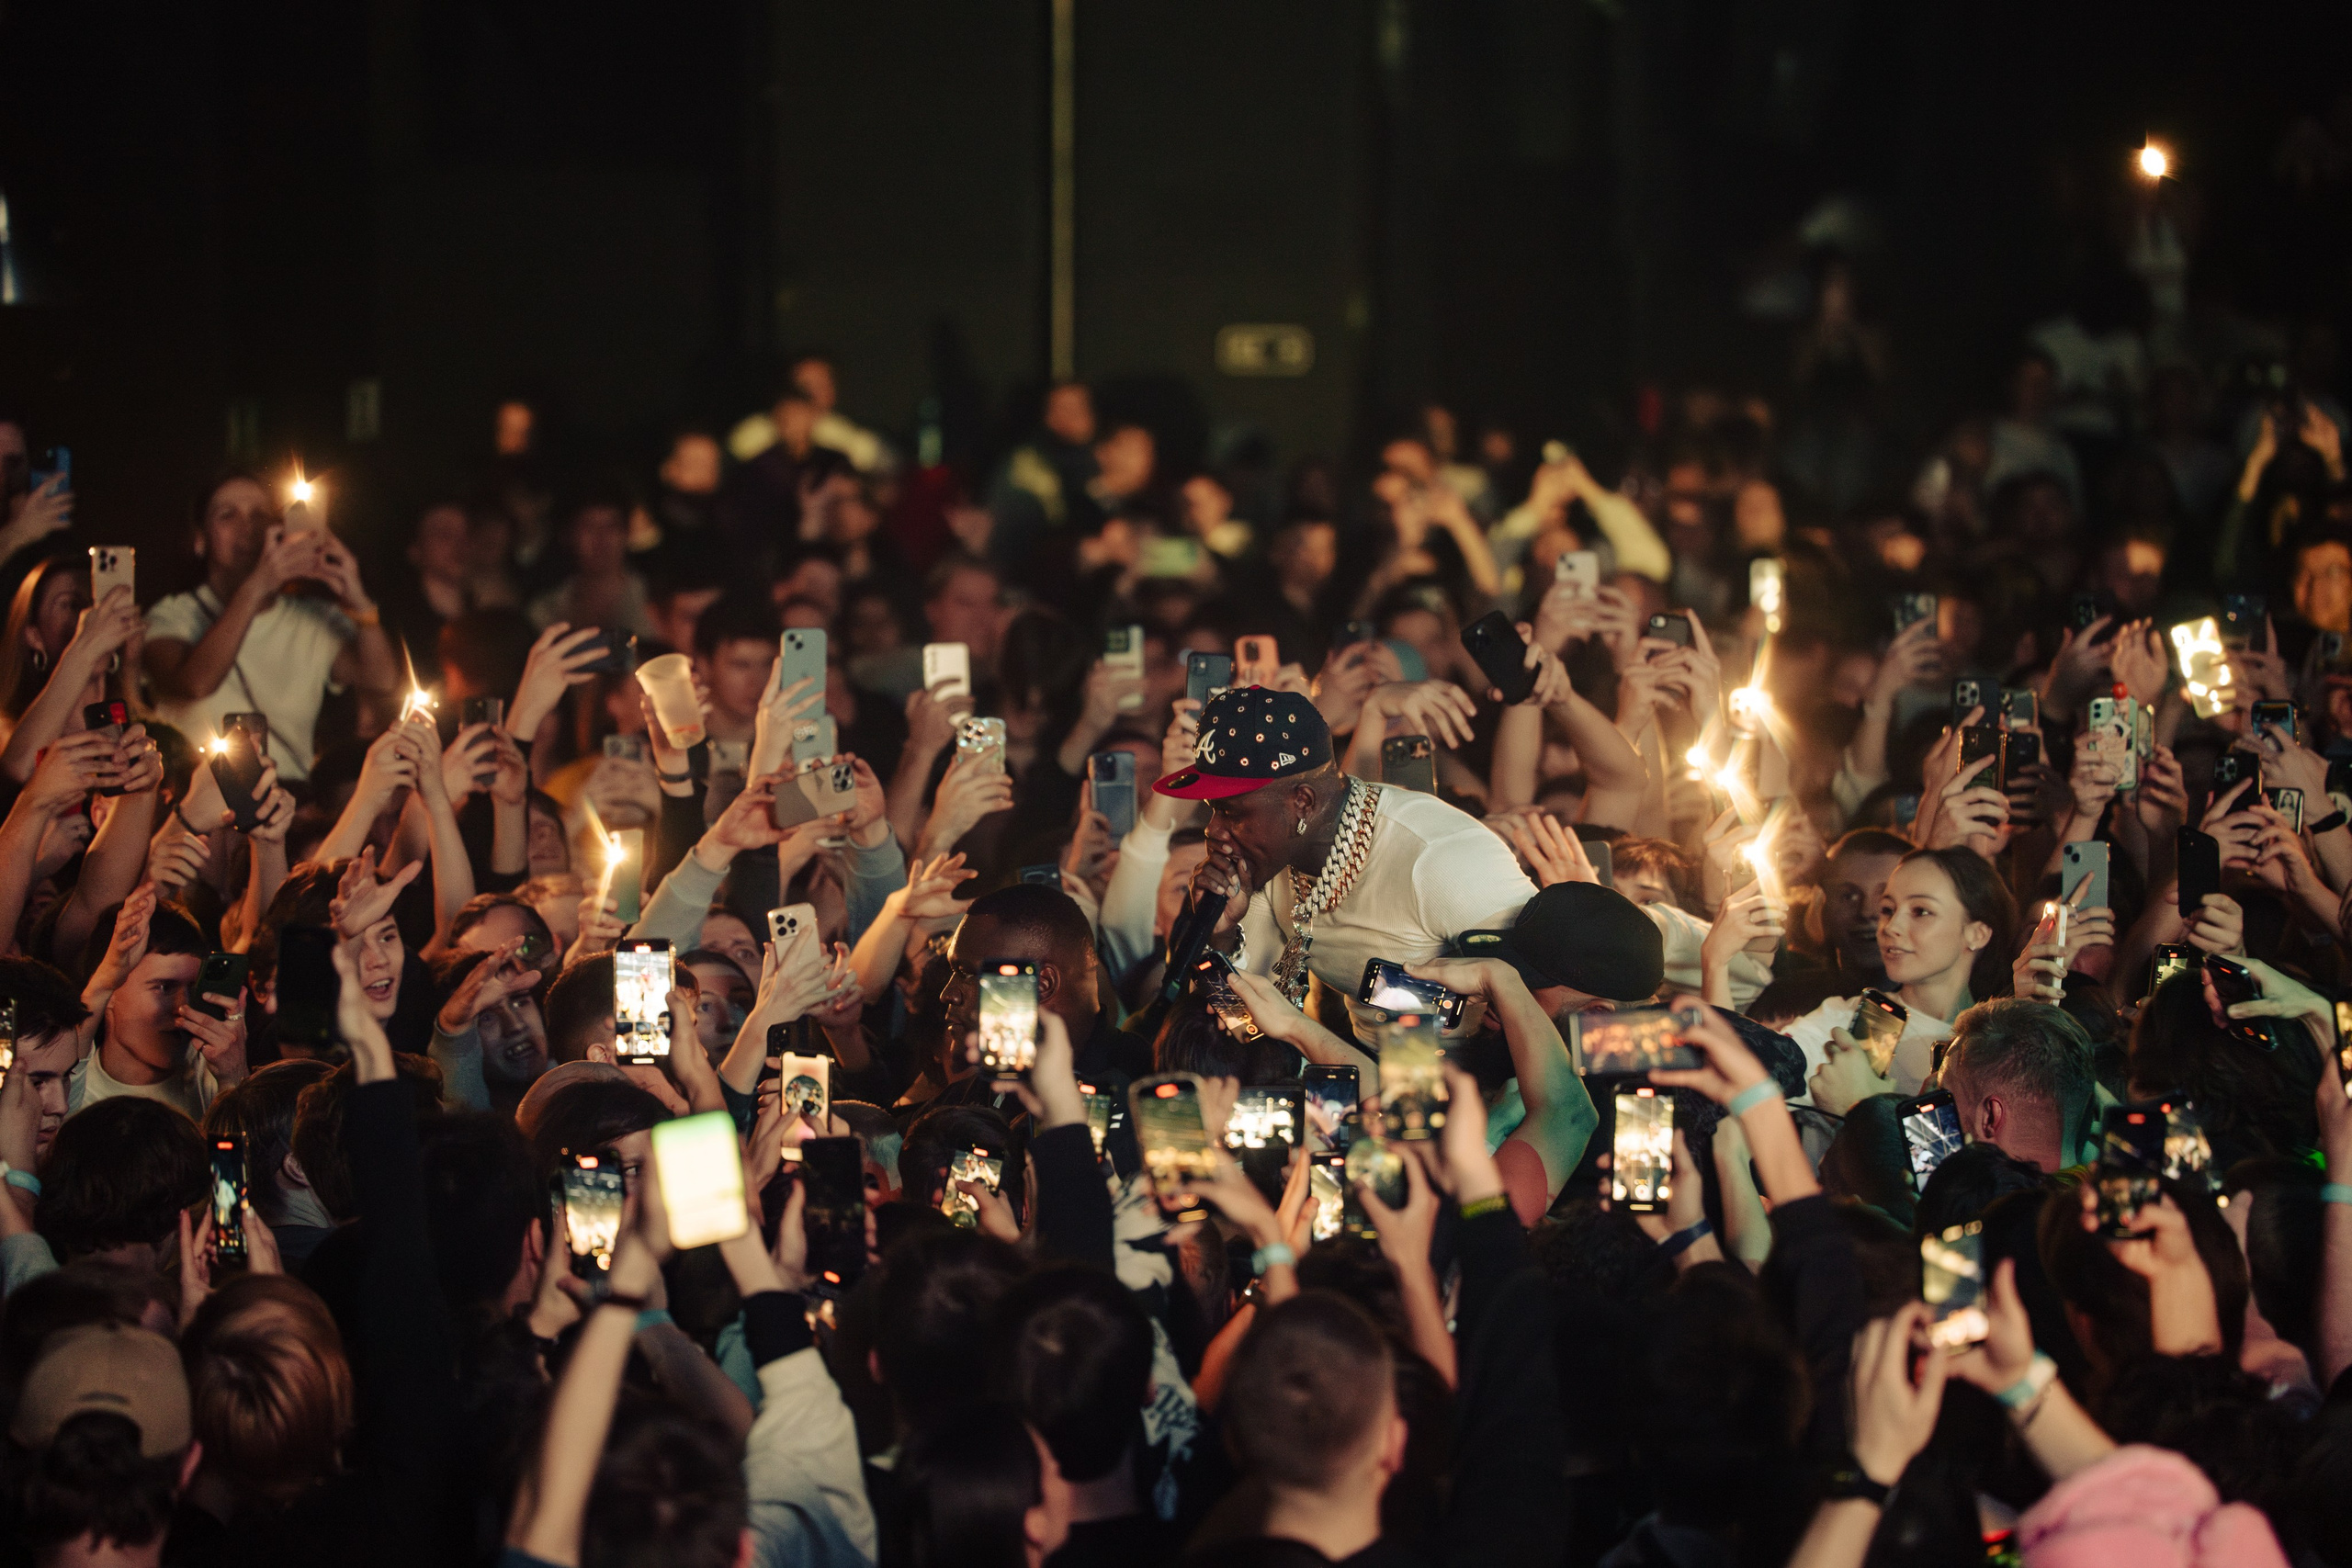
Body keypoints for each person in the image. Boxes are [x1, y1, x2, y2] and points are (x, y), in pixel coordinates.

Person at [1159, 687, 1533, 1043]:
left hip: (1482, 1086)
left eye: (1230, 812)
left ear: (1302, 803)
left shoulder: (1436, 854)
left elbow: (1555, 999)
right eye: (1212, 811)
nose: (1214, 831)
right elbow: (1239, 1029)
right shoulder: (1265, 867)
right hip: (1364, 1083)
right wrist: (1221, 935)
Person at [143, 472, 401, 780]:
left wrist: (359, 602)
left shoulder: (313, 617)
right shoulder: (170, 617)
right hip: (201, 802)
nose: (247, 528)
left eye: (259, 515)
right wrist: (257, 587)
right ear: (199, 539)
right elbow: (196, 684)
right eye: (228, 516)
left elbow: (382, 680)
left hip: (288, 801)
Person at [1780, 846, 2016, 1104]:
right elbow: (1750, 1083)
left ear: (1977, 933)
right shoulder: (1846, 1025)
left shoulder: (1999, 1046)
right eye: (1888, 909)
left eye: (1921, 911)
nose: (1891, 927)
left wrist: (1861, 1106)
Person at [1936, 998, 2098, 1172]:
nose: (1934, 1115)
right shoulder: (2106, 1193)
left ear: (1990, 1118)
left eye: (1944, 1099)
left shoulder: (1954, 1195)